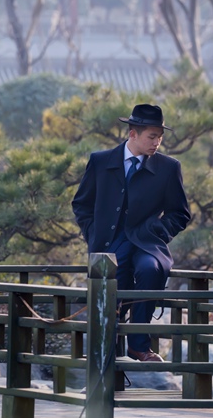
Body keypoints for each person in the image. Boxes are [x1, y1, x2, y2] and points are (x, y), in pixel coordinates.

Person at [71, 103, 191, 362]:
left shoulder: (169, 167)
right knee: (111, 281)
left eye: (160, 137)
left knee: (151, 270)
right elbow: (81, 204)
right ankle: (105, 349)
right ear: (132, 134)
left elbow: (180, 214)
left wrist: (156, 230)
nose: (157, 142)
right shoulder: (100, 161)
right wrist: (94, 235)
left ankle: (139, 344)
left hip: (147, 243)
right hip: (109, 244)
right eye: (152, 136)